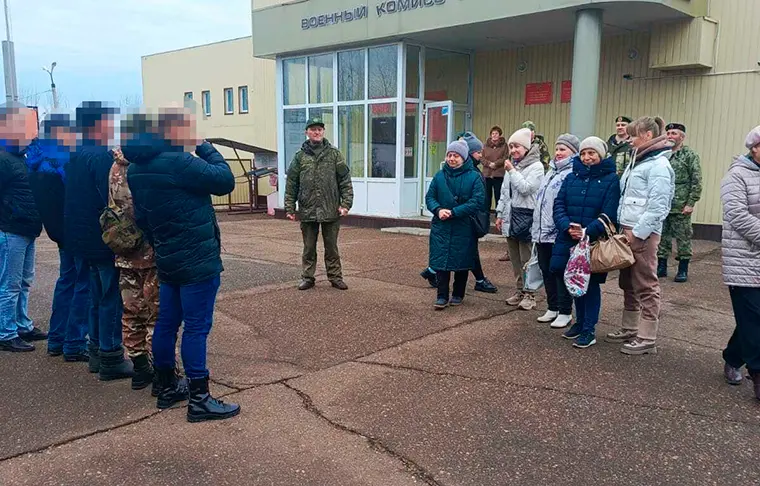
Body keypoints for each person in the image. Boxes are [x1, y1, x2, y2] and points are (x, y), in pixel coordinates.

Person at [127, 107, 238, 422]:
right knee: (197, 327)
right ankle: (200, 399)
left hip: (167, 257)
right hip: (197, 260)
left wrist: (162, 242)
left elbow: (143, 219)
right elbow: (225, 180)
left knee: (167, 323)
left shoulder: (136, 169)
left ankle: (166, 386)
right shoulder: (180, 162)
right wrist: (203, 145)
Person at [66, 102, 134, 380]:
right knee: (110, 298)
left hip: (81, 238)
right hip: (101, 238)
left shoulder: (76, 154)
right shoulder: (101, 158)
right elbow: (111, 199)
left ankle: (96, 351)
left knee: (96, 296)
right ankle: (110, 355)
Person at [606, 116, 675, 355]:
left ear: (647, 135)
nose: (629, 140)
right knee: (628, 281)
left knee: (645, 282)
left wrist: (638, 234)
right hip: (627, 231)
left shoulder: (658, 166)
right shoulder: (639, 160)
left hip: (641, 235)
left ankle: (647, 337)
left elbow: (658, 207)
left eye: (634, 135)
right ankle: (630, 327)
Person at [27, 114, 90, 361]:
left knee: (66, 281)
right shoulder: (62, 160)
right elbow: (79, 192)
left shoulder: (36, 157)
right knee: (83, 284)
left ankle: (57, 338)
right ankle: (74, 342)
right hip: (74, 229)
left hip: (57, 231)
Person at [551, 137, 621, 348]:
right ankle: (579, 322)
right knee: (573, 281)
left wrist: (586, 230)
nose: (587, 157)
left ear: (601, 155)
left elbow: (610, 212)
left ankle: (589, 328)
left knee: (589, 286)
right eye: (583, 153)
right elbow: (559, 204)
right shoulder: (572, 177)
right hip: (568, 238)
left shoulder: (611, 180)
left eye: (592, 153)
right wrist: (566, 226)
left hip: (592, 241)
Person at [109, 133, 160, 392]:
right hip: (148, 251)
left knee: (131, 312)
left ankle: (140, 369)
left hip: (124, 250)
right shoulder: (144, 169)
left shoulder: (116, 166)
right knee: (156, 314)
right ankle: (161, 370)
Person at [285, 117, 354, 291]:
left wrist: (346, 204)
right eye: (313, 129)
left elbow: (345, 180)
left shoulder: (334, 154)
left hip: (330, 208)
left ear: (323, 132)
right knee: (309, 247)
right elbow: (292, 182)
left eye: (320, 129)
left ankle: (335, 277)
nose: (317, 132)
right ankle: (308, 277)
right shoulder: (299, 157)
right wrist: (289, 207)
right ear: (306, 132)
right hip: (308, 209)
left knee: (332, 247)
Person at [0, 104, 47, 352]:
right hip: (11, 229)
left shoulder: (24, 156)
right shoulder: (3, 159)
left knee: (24, 281)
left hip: (28, 229)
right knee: (10, 283)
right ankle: (6, 333)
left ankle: (22, 324)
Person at [720, 125, 760, 400]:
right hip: (745, 260)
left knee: (750, 318)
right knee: (754, 317)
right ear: (755, 147)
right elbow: (736, 214)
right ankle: (758, 373)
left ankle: (733, 357)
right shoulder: (737, 175)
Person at [426, 140, 485, 310]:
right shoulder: (439, 176)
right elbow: (430, 197)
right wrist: (437, 210)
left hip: (463, 225)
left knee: (462, 261)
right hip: (441, 225)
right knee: (440, 262)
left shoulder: (474, 176)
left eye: (456, 155)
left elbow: (477, 201)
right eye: (449, 155)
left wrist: (455, 212)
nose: (452, 158)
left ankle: (458, 293)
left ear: (464, 158)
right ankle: (441, 296)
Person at [531, 134, 579, 329]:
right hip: (541, 230)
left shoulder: (572, 172)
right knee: (546, 270)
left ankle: (565, 311)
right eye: (557, 149)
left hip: (558, 231)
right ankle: (552, 306)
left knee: (560, 271)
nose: (558, 153)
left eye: (563, 149)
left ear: (573, 152)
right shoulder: (550, 171)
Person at [498, 127, 544, 310]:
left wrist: (512, 172)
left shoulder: (537, 167)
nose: (514, 150)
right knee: (515, 259)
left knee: (527, 259)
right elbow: (504, 193)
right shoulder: (513, 165)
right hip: (511, 217)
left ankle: (530, 294)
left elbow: (526, 189)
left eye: (517, 146)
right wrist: (500, 214)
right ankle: (519, 290)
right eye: (511, 147)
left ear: (526, 147)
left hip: (526, 217)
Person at [657, 123, 702, 283]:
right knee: (662, 237)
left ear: (682, 137)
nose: (670, 136)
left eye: (674, 133)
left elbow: (696, 180)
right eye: (668, 133)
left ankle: (683, 269)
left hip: (681, 204)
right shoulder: (662, 155)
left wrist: (691, 202)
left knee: (683, 238)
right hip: (663, 203)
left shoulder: (689, 155)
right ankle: (661, 266)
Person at [459, 132, 497, 293]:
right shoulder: (471, 174)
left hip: (468, 217)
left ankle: (432, 271)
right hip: (468, 218)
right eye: (478, 152)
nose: (481, 156)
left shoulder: (473, 171)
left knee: (466, 249)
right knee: (469, 250)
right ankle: (480, 280)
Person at [482, 126, 507, 214]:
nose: (494, 135)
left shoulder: (504, 146)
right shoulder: (485, 145)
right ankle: (485, 215)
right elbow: (482, 158)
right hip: (487, 174)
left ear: (500, 135)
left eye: (496, 133)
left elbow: (505, 157)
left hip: (498, 174)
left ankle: (498, 215)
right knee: (487, 197)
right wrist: (489, 164)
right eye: (493, 133)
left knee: (498, 196)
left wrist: (496, 164)